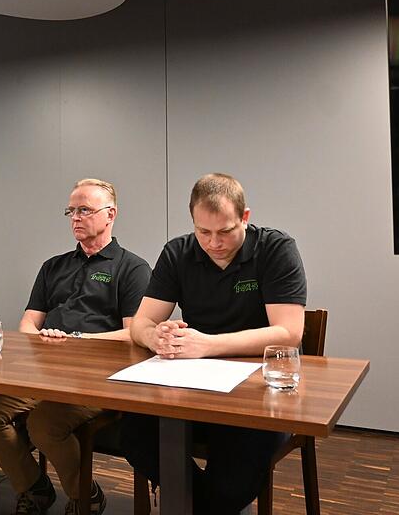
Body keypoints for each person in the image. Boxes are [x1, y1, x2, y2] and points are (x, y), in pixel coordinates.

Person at [123, 173, 307, 514]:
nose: (213, 243)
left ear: (245, 217)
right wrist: (154, 336)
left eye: (225, 231)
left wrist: (207, 344)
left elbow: (289, 333)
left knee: (233, 473)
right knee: (134, 431)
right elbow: (141, 323)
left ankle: (198, 505)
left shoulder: (275, 249)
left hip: (256, 393)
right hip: (195, 387)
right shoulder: (178, 252)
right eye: (203, 232)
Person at [0, 178, 150, 515]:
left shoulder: (132, 268)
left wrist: (77, 340)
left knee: (43, 424)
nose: (76, 217)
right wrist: (40, 338)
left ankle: (85, 495)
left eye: (85, 210)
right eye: (71, 211)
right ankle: (33, 486)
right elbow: (28, 323)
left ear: (110, 214)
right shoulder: (53, 266)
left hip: (98, 378)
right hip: (44, 371)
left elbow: (134, 335)